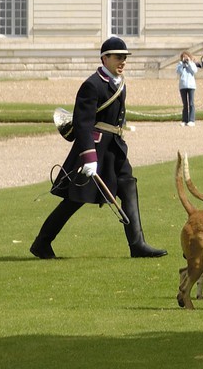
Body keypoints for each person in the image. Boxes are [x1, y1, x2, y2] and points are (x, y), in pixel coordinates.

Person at [29, 36, 167, 260]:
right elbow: (83, 124)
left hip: (115, 149)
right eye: (118, 57)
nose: (122, 61)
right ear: (105, 58)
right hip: (96, 150)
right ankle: (42, 242)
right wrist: (89, 157)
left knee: (128, 186)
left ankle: (137, 244)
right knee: (75, 198)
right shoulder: (92, 85)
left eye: (124, 57)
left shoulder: (119, 83)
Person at [175, 50, 198, 127]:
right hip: (183, 85)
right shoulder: (180, 64)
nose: (185, 58)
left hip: (191, 86)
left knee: (191, 103)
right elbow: (179, 72)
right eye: (183, 57)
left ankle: (191, 120)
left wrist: (189, 63)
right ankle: (184, 120)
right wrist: (183, 64)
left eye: (186, 57)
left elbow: (194, 71)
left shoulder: (192, 63)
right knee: (185, 104)